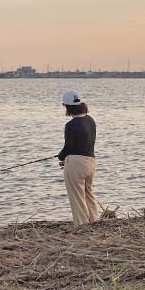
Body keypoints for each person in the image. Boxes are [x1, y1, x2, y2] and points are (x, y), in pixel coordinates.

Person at [58, 90, 98, 225]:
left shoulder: (70, 125)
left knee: (77, 197)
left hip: (75, 163)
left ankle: (81, 226)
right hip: (90, 161)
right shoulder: (90, 120)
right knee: (88, 194)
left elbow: (68, 147)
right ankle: (94, 221)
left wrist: (61, 156)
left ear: (68, 107)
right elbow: (86, 142)